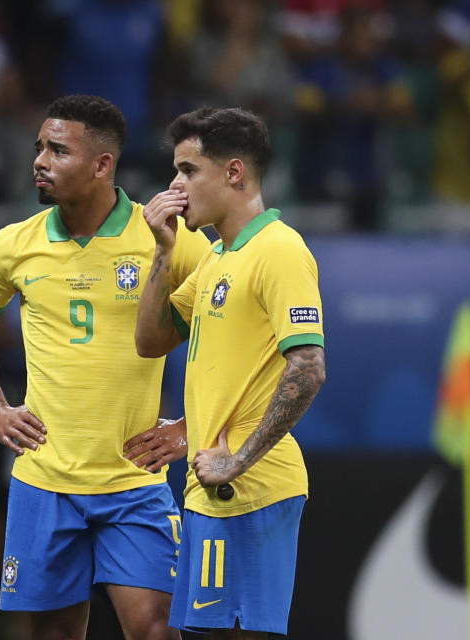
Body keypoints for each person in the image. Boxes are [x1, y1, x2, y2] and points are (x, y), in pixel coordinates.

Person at [0, 94, 210, 640]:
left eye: (58, 150)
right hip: (46, 479)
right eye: (39, 148)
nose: (40, 161)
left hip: (133, 481)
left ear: (102, 165)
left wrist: (193, 427)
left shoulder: (168, 236)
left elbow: (232, 335)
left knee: (157, 631)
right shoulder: (13, 245)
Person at [133, 107, 326, 638]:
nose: (175, 185)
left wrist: (238, 459)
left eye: (189, 170)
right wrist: (163, 252)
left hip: (251, 489)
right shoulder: (218, 256)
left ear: (234, 173)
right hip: (209, 489)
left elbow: (308, 367)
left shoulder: (279, 251)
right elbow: (150, 342)